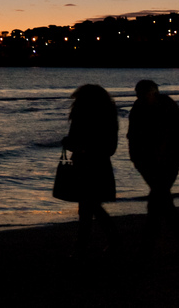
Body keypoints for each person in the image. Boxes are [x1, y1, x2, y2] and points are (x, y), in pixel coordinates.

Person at [127, 79, 179, 254]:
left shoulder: (170, 110)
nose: (140, 97)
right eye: (138, 94)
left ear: (153, 93)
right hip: (147, 163)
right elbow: (132, 136)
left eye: (143, 93)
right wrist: (136, 159)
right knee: (161, 199)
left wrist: (176, 156)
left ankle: (152, 243)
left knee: (158, 199)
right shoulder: (137, 110)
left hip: (169, 162)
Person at [62, 84, 119, 256]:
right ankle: (88, 244)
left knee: (89, 206)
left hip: (86, 165)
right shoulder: (109, 116)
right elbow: (110, 147)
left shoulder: (81, 116)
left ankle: (87, 245)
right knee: (89, 206)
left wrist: (80, 148)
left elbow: (73, 140)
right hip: (99, 165)